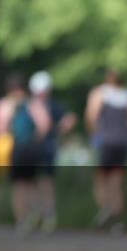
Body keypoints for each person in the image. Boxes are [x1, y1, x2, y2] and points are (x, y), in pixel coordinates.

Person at [85, 69, 127, 234]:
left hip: (105, 141)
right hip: (122, 141)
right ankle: (116, 220)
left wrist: (94, 134)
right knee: (117, 181)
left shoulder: (99, 93)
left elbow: (91, 117)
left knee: (100, 178)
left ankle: (105, 209)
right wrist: (123, 127)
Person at [0, 73, 50, 235]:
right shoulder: (33, 103)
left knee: (19, 186)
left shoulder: (5, 104)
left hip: (16, 148)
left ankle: (21, 219)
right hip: (32, 148)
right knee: (32, 183)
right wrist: (35, 140)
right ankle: (35, 212)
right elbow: (44, 125)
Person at [28, 71, 76, 233]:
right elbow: (69, 120)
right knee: (38, 181)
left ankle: (45, 212)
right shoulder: (44, 104)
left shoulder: (40, 105)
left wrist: (56, 132)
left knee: (44, 181)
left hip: (42, 147)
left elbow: (69, 120)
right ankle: (40, 212)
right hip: (39, 148)